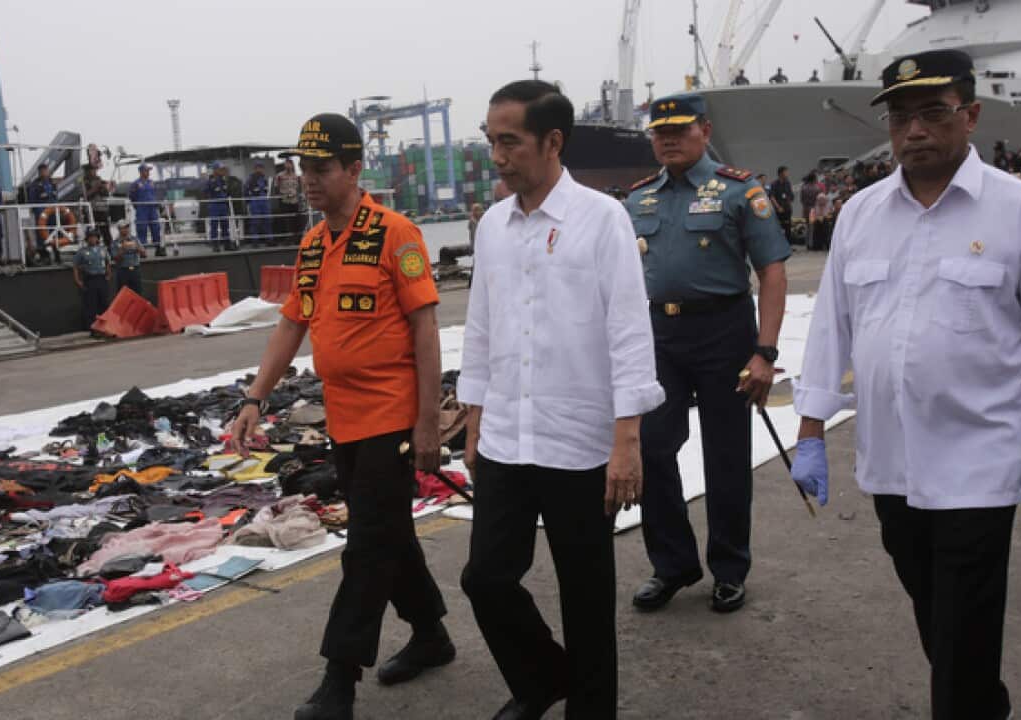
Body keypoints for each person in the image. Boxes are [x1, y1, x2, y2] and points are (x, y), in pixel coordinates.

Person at [791, 49, 1021, 720]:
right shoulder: (861, 214)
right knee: (940, 617)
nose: (914, 130)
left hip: (978, 458)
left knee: (960, 627)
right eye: (900, 117)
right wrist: (811, 429)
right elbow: (831, 326)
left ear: (971, 115)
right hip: (890, 462)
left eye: (933, 112)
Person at [227, 113, 451, 720]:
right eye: (304, 168)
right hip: (344, 420)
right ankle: (431, 635)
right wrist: (254, 397)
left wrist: (428, 422)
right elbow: (291, 324)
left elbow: (425, 329)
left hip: (392, 420)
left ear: (354, 169)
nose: (308, 179)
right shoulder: (313, 245)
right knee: (389, 534)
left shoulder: (395, 234)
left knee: (367, 548)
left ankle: (340, 679)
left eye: (321, 168)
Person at [459, 80, 663, 720]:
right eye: (491, 141)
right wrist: (474, 418)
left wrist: (626, 441)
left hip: (580, 441)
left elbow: (628, 331)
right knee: (485, 578)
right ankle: (544, 678)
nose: (498, 156)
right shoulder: (494, 227)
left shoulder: (602, 219)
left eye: (510, 142)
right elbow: (481, 327)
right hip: (507, 436)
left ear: (552, 141)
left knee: (586, 597)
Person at [624, 93, 791, 614]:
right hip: (660, 334)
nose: (668, 139)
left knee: (726, 454)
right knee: (652, 447)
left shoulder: (740, 190)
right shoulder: (638, 199)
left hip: (725, 331)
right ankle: (672, 564)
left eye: (680, 129)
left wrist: (765, 352)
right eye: (660, 132)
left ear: (705, 130)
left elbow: (772, 271)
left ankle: (729, 568)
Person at [72, 228, 111, 331]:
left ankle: (105, 327)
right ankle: (92, 328)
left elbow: (107, 262)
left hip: (101, 278)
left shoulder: (103, 250)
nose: (93, 239)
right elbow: (75, 266)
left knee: (104, 303)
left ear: (97, 238)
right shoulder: (82, 252)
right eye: (90, 237)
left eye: (94, 237)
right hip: (90, 279)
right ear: (87, 239)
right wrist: (77, 280)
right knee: (91, 305)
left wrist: (108, 275)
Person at [27, 163, 59, 265]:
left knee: (54, 231)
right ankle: (43, 254)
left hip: (52, 211)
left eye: (45, 170)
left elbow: (56, 197)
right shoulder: (35, 185)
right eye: (42, 171)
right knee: (41, 233)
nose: (44, 172)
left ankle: (56, 252)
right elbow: (32, 200)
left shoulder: (52, 183)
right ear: (39, 172)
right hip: (41, 212)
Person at [129, 164, 162, 249]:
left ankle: (158, 247)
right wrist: (137, 206)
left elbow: (155, 194)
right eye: (146, 171)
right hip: (142, 209)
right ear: (141, 172)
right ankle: (142, 248)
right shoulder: (136, 183)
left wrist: (156, 203)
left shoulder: (152, 182)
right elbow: (132, 196)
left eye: (148, 171)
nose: (148, 172)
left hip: (152, 208)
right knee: (142, 228)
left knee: (156, 227)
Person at [81, 164, 115, 244]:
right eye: (92, 170)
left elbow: (106, 194)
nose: (94, 172)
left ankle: (109, 247)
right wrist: (95, 188)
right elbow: (85, 195)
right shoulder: (83, 181)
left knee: (106, 231)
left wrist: (105, 188)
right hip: (90, 210)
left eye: (95, 170)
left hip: (101, 209)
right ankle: (93, 246)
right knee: (92, 231)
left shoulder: (99, 180)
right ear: (87, 171)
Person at [272, 157, 302, 246]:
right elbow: (276, 187)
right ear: (284, 165)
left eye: (290, 163)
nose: (288, 165)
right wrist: (280, 196)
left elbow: (299, 188)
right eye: (287, 163)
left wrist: (299, 196)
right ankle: (287, 239)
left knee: (296, 220)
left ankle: (296, 239)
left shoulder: (296, 176)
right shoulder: (280, 176)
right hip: (285, 200)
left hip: (294, 200)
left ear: (292, 165)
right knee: (286, 220)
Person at [111, 221, 144, 296]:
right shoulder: (115, 242)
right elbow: (115, 259)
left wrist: (137, 248)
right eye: (123, 228)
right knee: (123, 293)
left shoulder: (135, 239)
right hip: (123, 270)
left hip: (135, 269)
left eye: (126, 227)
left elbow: (144, 254)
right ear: (119, 229)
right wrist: (122, 249)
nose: (125, 230)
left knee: (138, 292)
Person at [205, 162, 232, 251]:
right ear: (215, 170)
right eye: (221, 169)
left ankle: (227, 244)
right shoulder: (210, 181)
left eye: (223, 169)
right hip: (214, 205)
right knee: (214, 225)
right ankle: (215, 245)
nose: (222, 171)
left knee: (225, 225)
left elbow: (227, 192)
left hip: (223, 205)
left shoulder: (223, 181)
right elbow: (206, 192)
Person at [245, 161, 271, 245]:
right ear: (255, 169)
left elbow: (266, 190)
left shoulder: (264, 179)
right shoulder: (250, 179)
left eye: (261, 167)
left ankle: (269, 240)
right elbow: (245, 190)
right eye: (258, 167)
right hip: (255, 202)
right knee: (255, 222)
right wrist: (248, 202)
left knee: (267, 221)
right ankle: (255, 241)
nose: (260, 169)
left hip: (264, 202)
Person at [769, 165, 794, 230]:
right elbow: (772, 197)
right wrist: (778, 207)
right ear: (780, 173)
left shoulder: (788, 183)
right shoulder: (774, 184)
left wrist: (789, 204)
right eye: (786, 172)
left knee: (788, 227)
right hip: (779, 209)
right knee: (778, 227)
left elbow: (790, 195)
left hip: (787, 209)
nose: (787, 174)